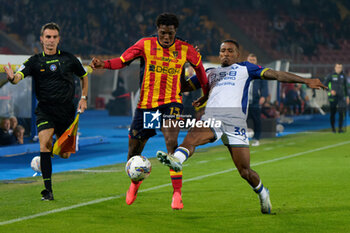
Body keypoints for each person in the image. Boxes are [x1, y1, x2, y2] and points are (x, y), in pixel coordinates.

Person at [157, 40, 327, 213]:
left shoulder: (246, 68)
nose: (225, 54)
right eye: (222, 51)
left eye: (230, 51)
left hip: (235, 123)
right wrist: (182, 63)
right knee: (193, 136)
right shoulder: (209, 72)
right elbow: (182, 86)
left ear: (237, 55)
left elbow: (276, 75)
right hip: (213, 118)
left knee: (245, 172)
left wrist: (306, 81)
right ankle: (177, 159)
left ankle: (262, 193)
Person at [90, 12, 209, 210]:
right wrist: (104, 64)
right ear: (157, 31)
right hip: (147, 106)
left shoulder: (186, 49)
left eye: (170, 33)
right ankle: (135, 183)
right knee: (133, 152)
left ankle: (177, 194)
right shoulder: (145, 44)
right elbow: (122, 60)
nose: (166, 37)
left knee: (172, 142)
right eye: (163, 33)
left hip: (171, 102)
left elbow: (202, 74)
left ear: (175, 32)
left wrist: (205, 95)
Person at [4, 22, 89, 200]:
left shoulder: (69, 59)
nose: (50, 40)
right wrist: (12, 78)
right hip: (45, 111)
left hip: (66, 112)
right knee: (44, 144)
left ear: (59, 39)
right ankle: (48, 190)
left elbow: (84, 76)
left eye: (54, 37)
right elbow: (18, 77)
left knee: (65, 155)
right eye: (47, 37)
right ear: (41, 39)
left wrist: (83, 98)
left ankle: (46, 156)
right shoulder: (34, 61)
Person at [247, 54, 268, 146]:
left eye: (253, 60)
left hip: (255, 100)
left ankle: (256, 139)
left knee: (256, 120)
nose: (252, 61)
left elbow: (264, 85)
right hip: (244, 100)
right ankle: (243, 138)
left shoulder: (260, 72)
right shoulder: (242, 71)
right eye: (250, 60)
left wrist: (263, 96)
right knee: (242, 120)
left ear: (256, 62)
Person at [323, 63, 349, 133]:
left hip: (341, 97)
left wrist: (347, 97)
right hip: (333, 97)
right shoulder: (330, 76)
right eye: (337, 67)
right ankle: (333, 128)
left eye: (340, 67)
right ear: (335, 68)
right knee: (333, 113)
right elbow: (324, 85)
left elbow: (346, 87)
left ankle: (340, 129)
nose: (339, 69)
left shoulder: (343, 76)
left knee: (341, 113)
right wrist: (330, 91)